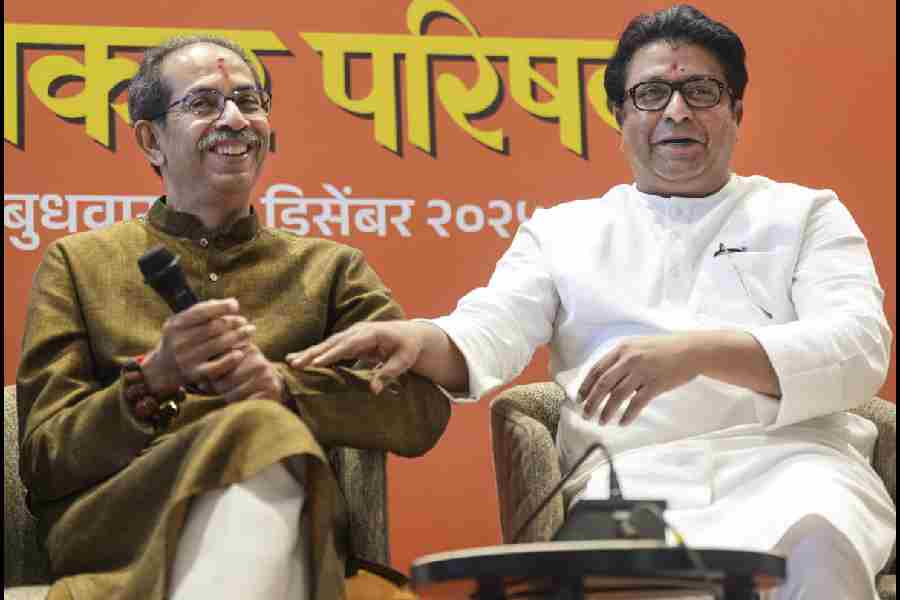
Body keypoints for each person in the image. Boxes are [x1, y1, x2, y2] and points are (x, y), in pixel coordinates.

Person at [289, 5, 895, 599]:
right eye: (651, 94)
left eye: (702, 91)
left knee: (821, 547)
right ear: (618, 115)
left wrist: (700, 352)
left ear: (736, 109)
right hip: (633, 482)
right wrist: (420, 339)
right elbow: (490, 328)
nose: (677, 112)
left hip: (796, 470)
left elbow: (860, 345)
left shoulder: (806, 214)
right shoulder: (565, 232)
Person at [16, 35, 450, 600]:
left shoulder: (329, 270)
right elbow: (43, 459)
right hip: (126, 524)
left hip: (290, 517)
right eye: (202, 104)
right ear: (151, 141)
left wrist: (282, 387)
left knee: (264, 425)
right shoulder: (79, 264)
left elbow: (421, 413)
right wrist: (153, 379)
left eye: (250, 101)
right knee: (257, 428)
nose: (235, 120)